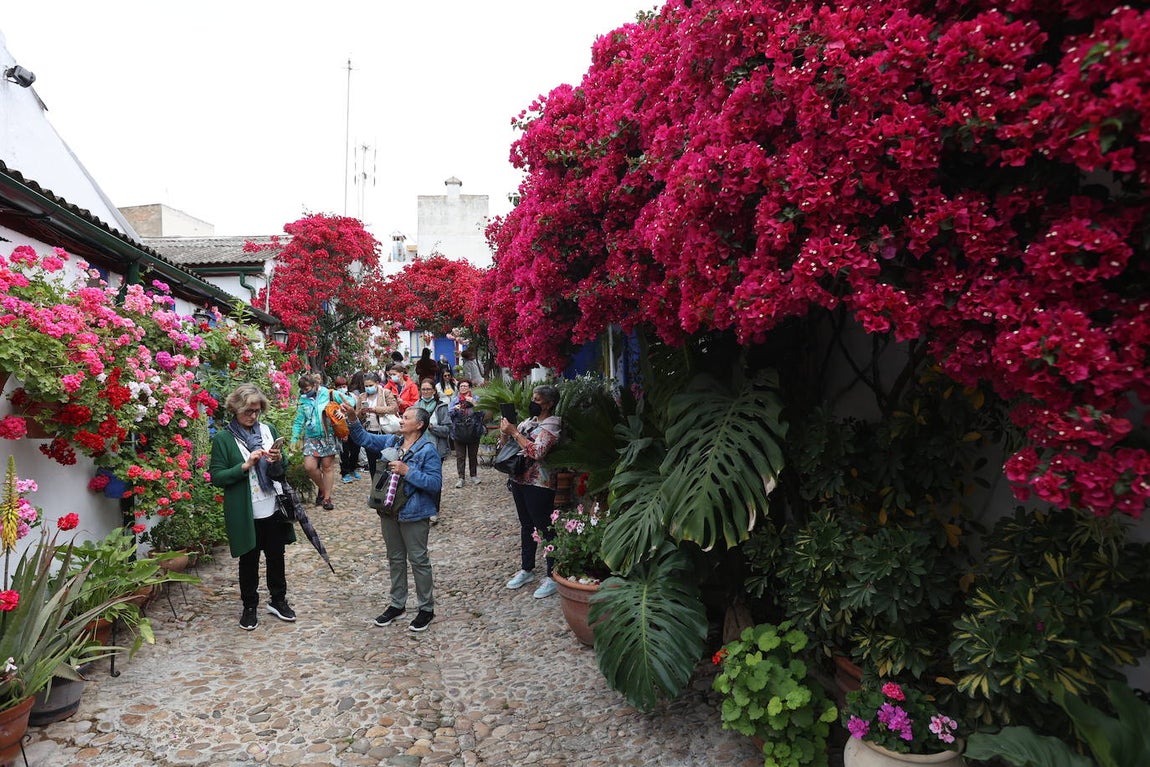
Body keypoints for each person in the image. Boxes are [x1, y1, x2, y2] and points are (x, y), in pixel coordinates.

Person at [342, 403, 441, 632]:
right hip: (388, 509)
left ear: (419, 424)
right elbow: (364, 439)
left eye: (406, 417)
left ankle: (426, 608)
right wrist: (352, 418)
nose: (401, 419)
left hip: (414, 512)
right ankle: (398, 604)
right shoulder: (393, 442)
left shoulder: (428, 450)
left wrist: (409, 472)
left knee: (419, 560)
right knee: (395, 558)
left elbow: (435, 484)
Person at [209, 383, 297, 630]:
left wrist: (279, 459)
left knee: (276, 556)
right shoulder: (224, 440)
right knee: (248, 559)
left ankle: (278, 600)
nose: (253, 416)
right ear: (236, 409)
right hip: (246, 510)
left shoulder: (268, 430)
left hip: (273, 504)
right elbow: (216, 476)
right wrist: (245, 466)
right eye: (248, 411)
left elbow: (284, 465)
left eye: (257, 411)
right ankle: (249, 606)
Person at [500, 384, 563, 598]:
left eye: (537, 400)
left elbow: (538, 451)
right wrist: (505, 433)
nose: (533, 403)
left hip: (540, 484)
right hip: (519, 480)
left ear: (549, 403)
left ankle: (552, 575)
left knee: (545, 528)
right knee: (526, 525)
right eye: (533, 398)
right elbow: (509, 446)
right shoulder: (530, 422)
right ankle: (527, 568)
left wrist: (515, 432)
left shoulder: (553, 425)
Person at [290, 372, 346, 510]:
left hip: (328, 435)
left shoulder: (329, 394)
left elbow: (349, 401)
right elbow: (299, 421)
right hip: (311, 436)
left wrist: (342, 411)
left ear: (315, 385)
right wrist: (294, 438)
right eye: (303, 390)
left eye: (307, 389)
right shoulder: (303, 400)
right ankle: (323, 488)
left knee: (327, 467)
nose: (305, 392)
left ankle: (327, 498)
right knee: (309, 466)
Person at [416, 377, 450, 525]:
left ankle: (433, 510)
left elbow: (448, 429)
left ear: (434, 391)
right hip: (419, 449)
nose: (426, 392)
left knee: (434, 480)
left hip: (436, 449)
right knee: (419, 478)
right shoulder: (415, 407)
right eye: (423, 389)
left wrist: (432, 428)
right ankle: (422, 507)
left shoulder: (441, 407)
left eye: (428, 389)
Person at [356, 371, 401, 476]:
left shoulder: (385, 393)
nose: (368, 388)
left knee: (385, 462)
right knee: (372, 463)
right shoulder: (362, 396)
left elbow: (394, 408)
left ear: (377, 383)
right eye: (366, 386)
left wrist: (375, 409)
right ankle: (375, 487)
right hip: (369, 432)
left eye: (371, 385)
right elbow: (357, 415)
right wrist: (362, 412)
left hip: (384, 432)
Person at [449, 380, 487, 488]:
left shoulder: (476, 399)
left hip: (473, 431)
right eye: (461, 386)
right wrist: (455, 409)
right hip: (458, 432)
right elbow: (449, 414)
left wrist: (474, 404)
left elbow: (483, 413)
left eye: (465, 386)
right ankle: (461, 477)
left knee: (473, 455)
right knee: (460, 456)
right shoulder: (455, 400)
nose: (463, 388)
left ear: (470, 388)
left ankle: (473, 475)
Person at [336, 374, 362, 485]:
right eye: (339, 386)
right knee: (344, 451)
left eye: (344, 385)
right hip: (342, 427)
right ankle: (345, 472)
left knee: (356, 449)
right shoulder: (335, 397)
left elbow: (357, 409)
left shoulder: (353, 396)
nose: (342, 388)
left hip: (354, 426)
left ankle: (353, 468)